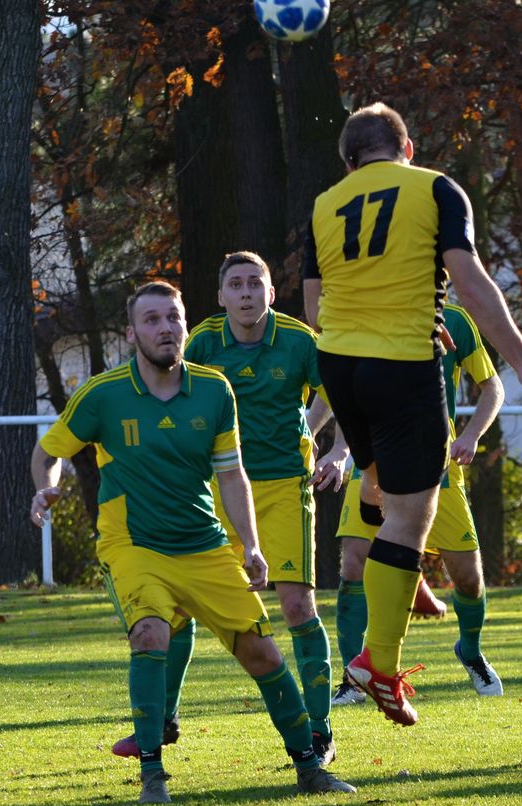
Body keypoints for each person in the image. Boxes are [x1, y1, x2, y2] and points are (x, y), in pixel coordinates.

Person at [28, 281, 355, 803]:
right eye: (152, 319)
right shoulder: (103, 394)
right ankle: (152, 775)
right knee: (151, 633)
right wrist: (46, 486)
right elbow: (49, 451)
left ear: (185, 325)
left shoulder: (213, 390)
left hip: (204, 544)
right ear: (132, 333)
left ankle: (310, 768)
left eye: (173, 318)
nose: (165, 328)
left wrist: (251, 545)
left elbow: (231, 474)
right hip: (134, 545)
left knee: (263, 653)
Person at [302, 102, 522, 725]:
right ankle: (379, 663)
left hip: (340, 365)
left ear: (349, 161)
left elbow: (314, 305)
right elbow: (468, 281)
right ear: (408, 148)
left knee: (377, 491)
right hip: (402, 364)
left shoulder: (324, 204)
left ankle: (387, 608)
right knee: (412, 517)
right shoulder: (436, 188)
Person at [104, 252, 350, 765]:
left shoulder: (300, 341)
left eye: (254, 284)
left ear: (270, 293)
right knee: (176, 607)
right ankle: (162, 721)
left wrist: (336, 448)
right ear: (220, 297)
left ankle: (319, 730)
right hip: (218, 488)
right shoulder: (203, 342)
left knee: (297, 607)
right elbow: (166, 391)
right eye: (235, 285)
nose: (245, 293)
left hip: (283, 486)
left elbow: (342, 397)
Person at [331, 301, 506, 707]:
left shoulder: (455, 320)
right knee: (354, 562)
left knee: (468, 578)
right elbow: (345, 393)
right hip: (374, 460)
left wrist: (471, 435)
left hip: (436, 462)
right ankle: (352, 678)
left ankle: (470, 651)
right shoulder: (365, 312)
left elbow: (493, 387)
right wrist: (342, 449)